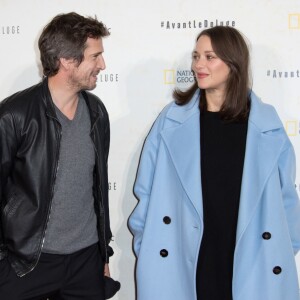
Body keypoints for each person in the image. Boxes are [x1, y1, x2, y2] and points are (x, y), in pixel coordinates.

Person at [128, 26, 300, 300]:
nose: (198, 65)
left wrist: (276, 252)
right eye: (196, 56)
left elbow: (286, 198)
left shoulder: (267, 125)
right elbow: (145, 191)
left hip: (249, 258)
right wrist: (149, 246)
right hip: (183, 256)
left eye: (210, 57)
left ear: (233, 63)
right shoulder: (171, 121)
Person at [0, 12, 120, 300]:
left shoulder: (96, 112)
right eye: (95, 56)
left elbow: (97, 190)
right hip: (27, 263)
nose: (102, 65)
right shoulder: (14, 115)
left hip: (85, 262)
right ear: (67, 61)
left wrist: (102, 253)